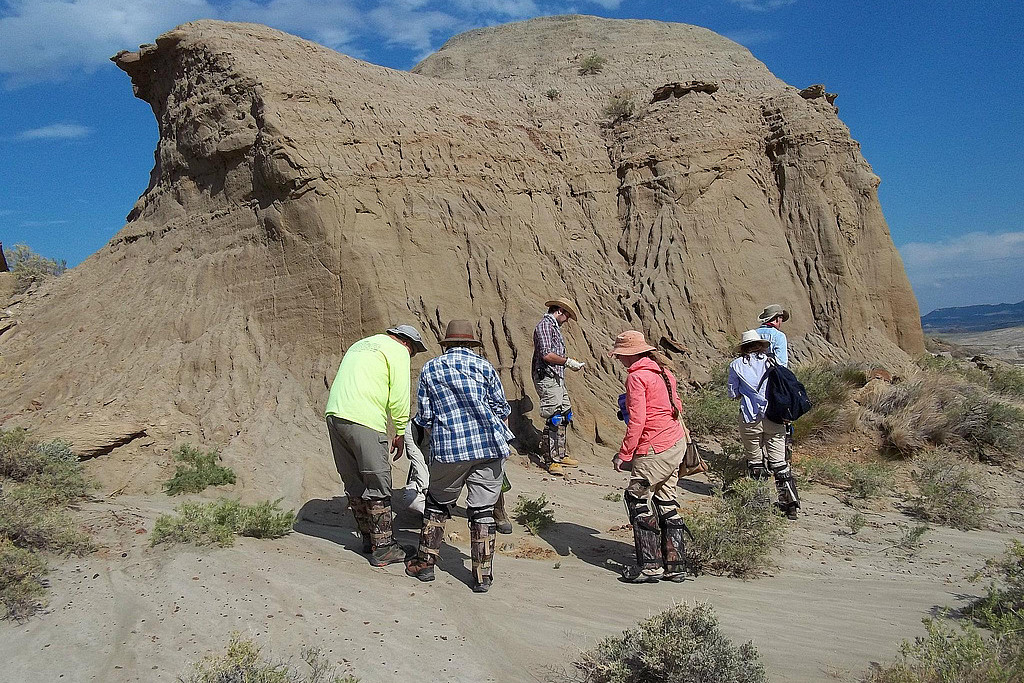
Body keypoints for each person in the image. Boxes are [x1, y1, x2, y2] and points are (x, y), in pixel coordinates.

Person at [405, 320, 515, 593]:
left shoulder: (431, 368)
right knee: (482, 511)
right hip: (489, 447)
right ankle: (482, 576)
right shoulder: (485, 366)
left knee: (437, 504)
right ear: (470, 343)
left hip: (450, 449)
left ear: (447, 344)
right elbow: (501, 408)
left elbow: (425, 417)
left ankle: (426, 564)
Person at [325, 324, 427, 566]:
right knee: (378, 481)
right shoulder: (398, 350)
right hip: (365, 419)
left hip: (335, 415)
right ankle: (383, 548)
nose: (410, 356)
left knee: (354, 481)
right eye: (412, 352)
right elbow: (399, 394)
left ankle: (369, 540)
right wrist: (401, 430)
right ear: (407, 343)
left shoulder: (361, 344)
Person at [609, 331, 691, 583]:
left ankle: (650, 565)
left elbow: (638, 421)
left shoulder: (637, 377)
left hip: (653, 448)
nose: (620, 360)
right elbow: (677, 408)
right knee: (667, 501)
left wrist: (624, 454)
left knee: (637, 500)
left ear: (631, 354)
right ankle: (676, 565)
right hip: (675, 443)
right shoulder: (663, 372)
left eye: (621, 355)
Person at [728, 330, 800, 520]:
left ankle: (759, 504)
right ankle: (789, 504)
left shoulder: (735, 365)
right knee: (779, 462)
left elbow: (732, 393)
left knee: (755, 462)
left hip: (749, 418)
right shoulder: (772, 362)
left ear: (744, 348)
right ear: (761, 345)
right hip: (774, 417)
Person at [532, 297, 585, 476]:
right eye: (567, 315)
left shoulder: (554, 327)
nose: (568, 319)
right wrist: (567, 361)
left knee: (564, 414)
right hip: (547, 377)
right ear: (560, 311)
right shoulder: (545, 326)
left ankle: (561, 454)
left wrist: (565, 363)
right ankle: (551, 460)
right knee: (553, 417)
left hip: (556, 377)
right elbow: (546, 354)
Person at [756, 303, 793, 461]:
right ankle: (780, 459)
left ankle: (758, 459)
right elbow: (782, 364)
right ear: (777, 319)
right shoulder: (779, 336)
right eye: (781, 318)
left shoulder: (754, 334)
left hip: (755, 383)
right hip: (774, 383)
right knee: (781, 422)